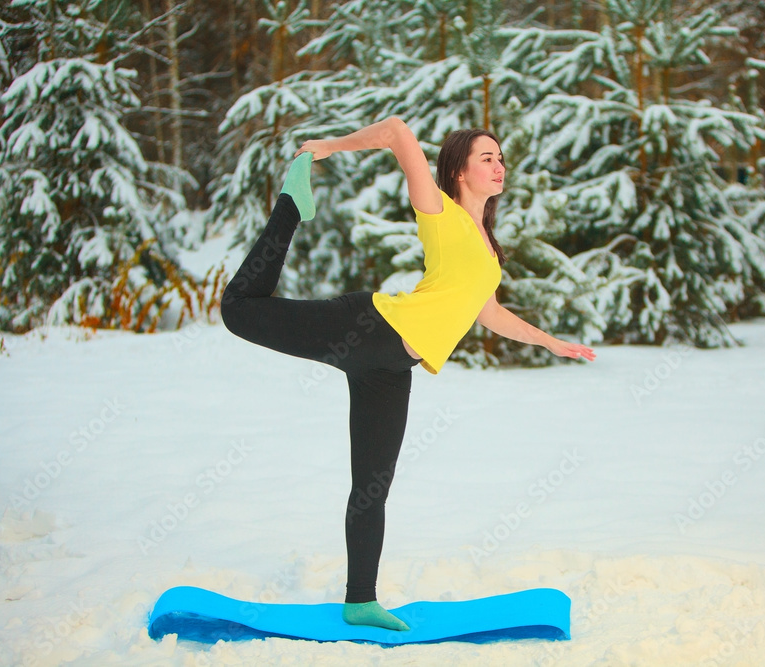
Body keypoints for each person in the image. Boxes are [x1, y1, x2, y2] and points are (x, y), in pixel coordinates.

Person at [220, 117, 596, 632]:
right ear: (459, 172)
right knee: (238, 309)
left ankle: (361, 600)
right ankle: (292, 205)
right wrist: (329, 147)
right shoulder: (440, 211)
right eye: (486, 157)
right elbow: (397, 131)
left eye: (501, 157)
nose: (499, 165)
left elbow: (489, 314)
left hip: (393, 368)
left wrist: (550, 341)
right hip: (368, 326)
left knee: (372, 487)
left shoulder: (487, 249)